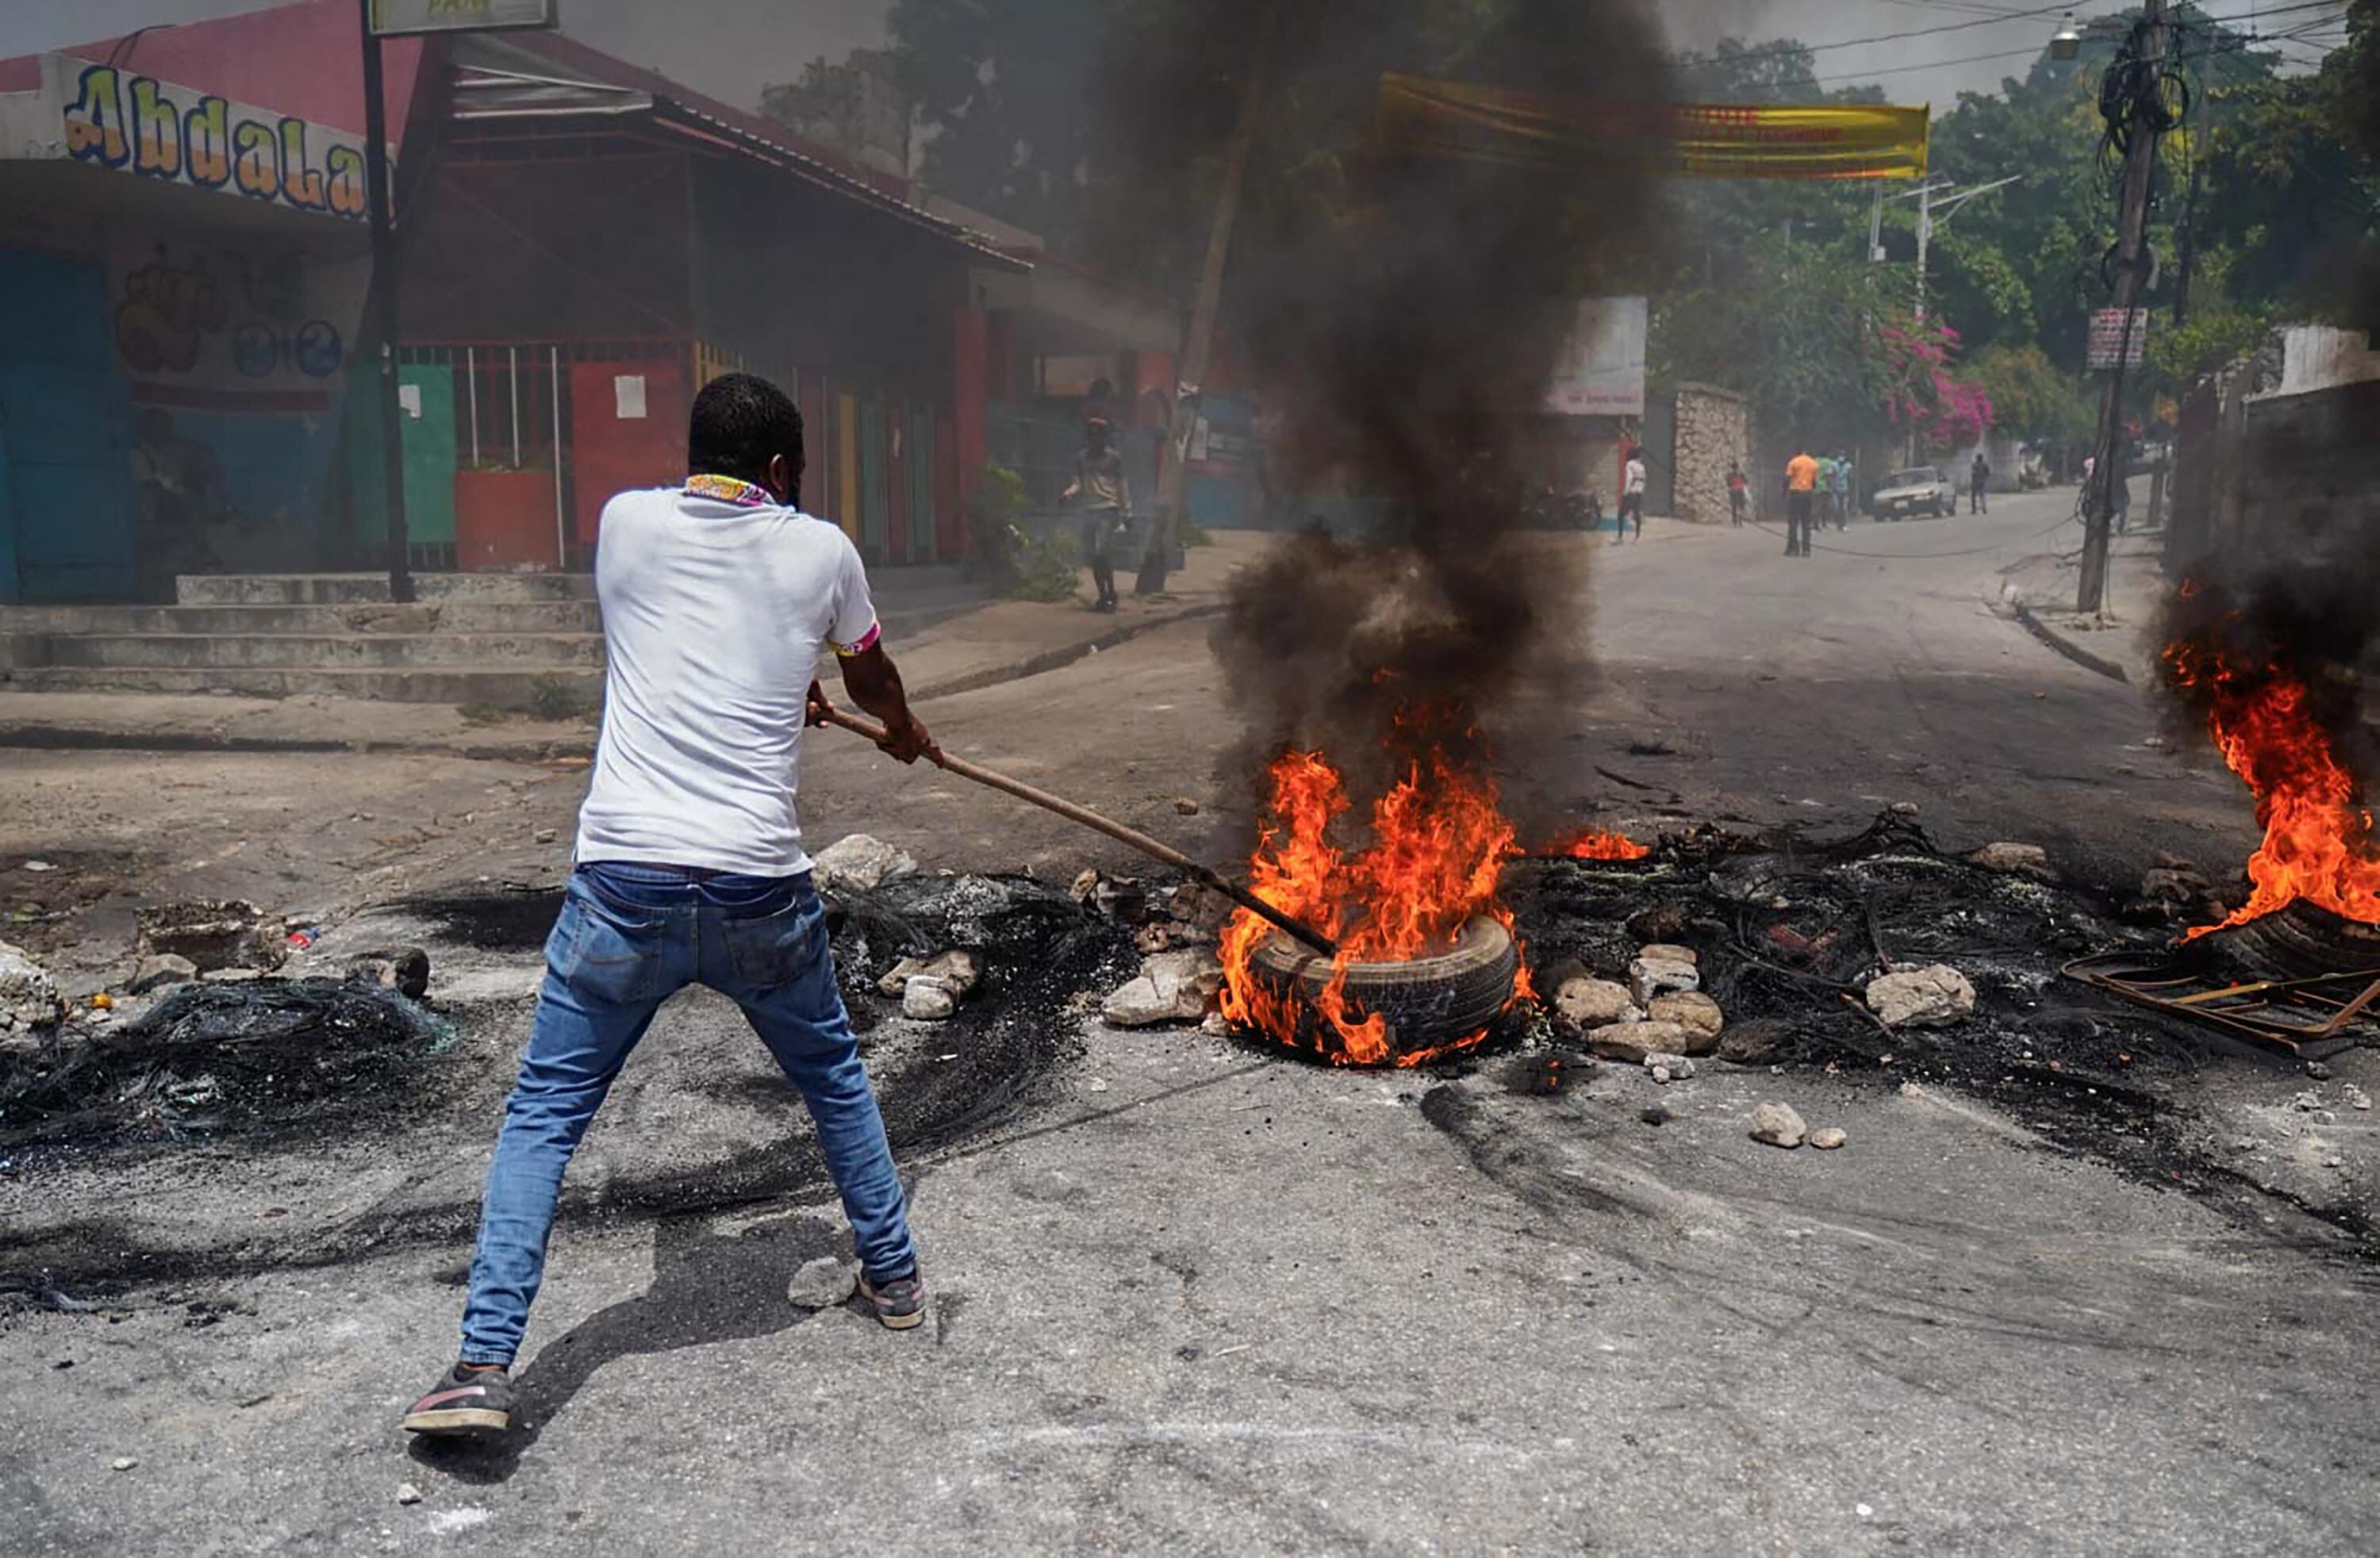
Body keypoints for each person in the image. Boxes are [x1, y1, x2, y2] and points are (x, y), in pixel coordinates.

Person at [401, 374, 936, 1439]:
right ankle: (896, 1279)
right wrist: (905, 730)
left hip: (626, 886)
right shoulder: (822, 549)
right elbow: (873, 681)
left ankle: (479, 1366)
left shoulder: (624, 525)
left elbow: (709, 629)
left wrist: (790, 686)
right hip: (756, 888)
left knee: (545, 1114)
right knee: (831, 1077)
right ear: (782, 471)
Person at [1062, 416, 1132, 612]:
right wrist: (1068, 494)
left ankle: (1110, 592)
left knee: (1102, 552)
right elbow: (1078, 483)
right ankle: (1104, 594)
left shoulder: (1114, 459)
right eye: (1092, 436)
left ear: (1104, 438)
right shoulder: (1081, 458)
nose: (1095, 440)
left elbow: (1122, 486)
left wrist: (1127, 512)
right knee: (1095, 556)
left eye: (1099, 436)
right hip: (1089, 510)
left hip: (1108, 509)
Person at [1783, 447, 1820, 558]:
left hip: (1795, 493)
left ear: (1796, 452)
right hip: (1807, 494)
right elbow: (1814, 482)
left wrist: (1784, 493)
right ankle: (1806, 550)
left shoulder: (1793, 462)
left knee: (1793, 523)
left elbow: (1787, 478)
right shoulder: (1814, 464)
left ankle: (1793, 549)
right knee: (1806, 523)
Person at [1614, 444, 1647, 543]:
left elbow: (1629, 478)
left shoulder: (1629, 464)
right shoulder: (1641, 466)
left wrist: (1625, 492)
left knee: (1621, 514)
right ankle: (1637, 537)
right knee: (1636, 514)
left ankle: (1620, 537)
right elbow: (1645, 479)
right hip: (1639, 492)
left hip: (1631, 492)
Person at [1833, 453, 1855, 528]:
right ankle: (1838, 523)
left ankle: (1843, 524)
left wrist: (1851, 488)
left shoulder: (1848, 466)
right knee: (1836, 507)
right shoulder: (1834, 465)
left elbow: (1851, 477)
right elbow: (1829, 476)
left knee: (1844, 508)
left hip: (1845, 489)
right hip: (1835, 489)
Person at [1726, 459, 1748, 527]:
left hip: (1734, 491)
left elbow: (1728, 484)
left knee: (1734, 507)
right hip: (1740, 491)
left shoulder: (1730, 475)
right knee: (1741, 507)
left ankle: (1735, 521)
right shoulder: (1741, 474)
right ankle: (1739, 521)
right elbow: (1746, 481)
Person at [1970, 451, 1990, 515]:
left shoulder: (1974, 465)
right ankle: (1984, 508)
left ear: (1977, 458)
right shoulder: (1985, 464)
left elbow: (1973, 473)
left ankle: (1974, 510)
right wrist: (1984, 477)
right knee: (1982, 496)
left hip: (1975, 482)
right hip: (1982, 481)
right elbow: (1988, 473)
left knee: (1973, 496)